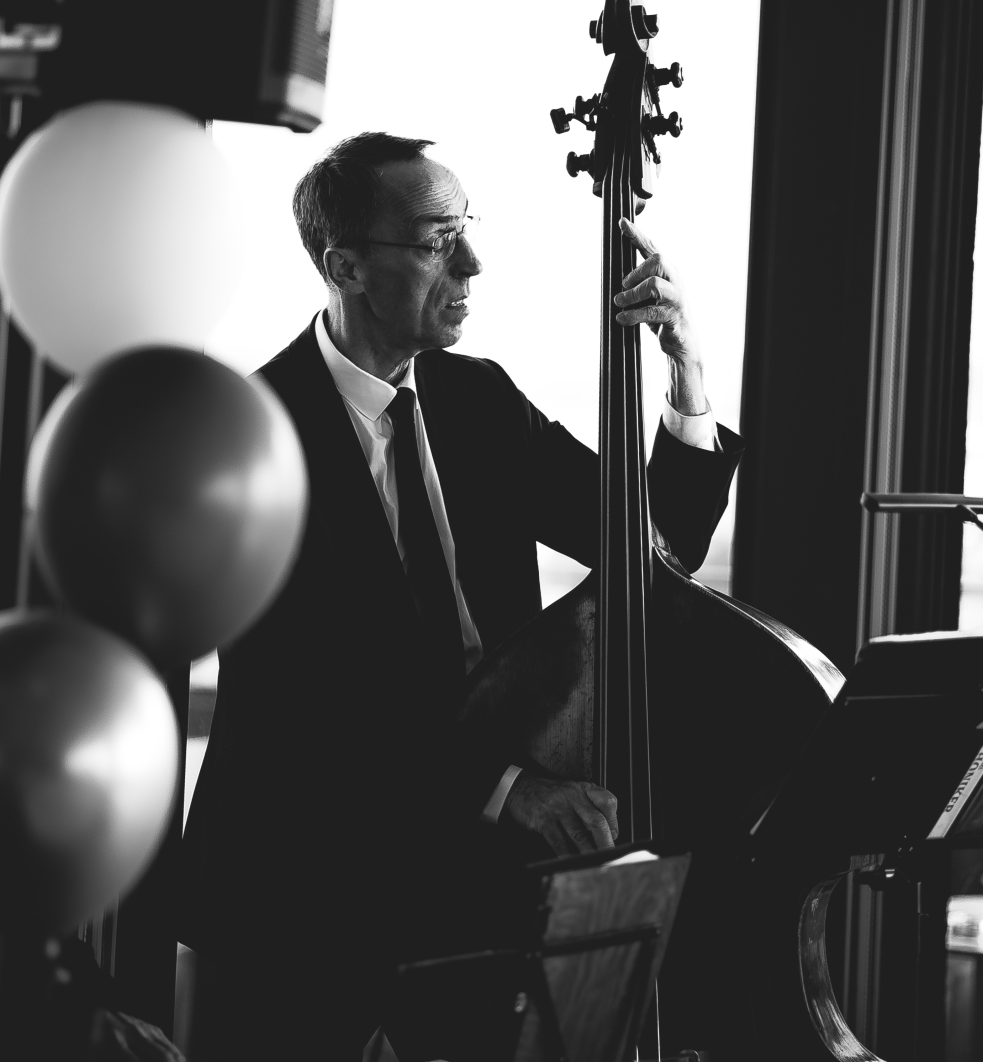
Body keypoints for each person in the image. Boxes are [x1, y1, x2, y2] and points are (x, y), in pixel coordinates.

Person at [179, 133, 742, 1059]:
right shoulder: (247, 434)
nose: (472, 264)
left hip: (470, 881)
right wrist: (509, 789)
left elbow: (654, 549)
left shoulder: (481, 399)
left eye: (467, 231)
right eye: (439, 241)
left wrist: (686, 372)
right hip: (303, 888)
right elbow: (299, 698)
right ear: (346, 267)